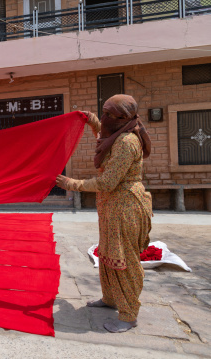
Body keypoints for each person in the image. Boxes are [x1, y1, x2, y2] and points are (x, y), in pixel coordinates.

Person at [56, 95, 153, 333]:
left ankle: (129, 314)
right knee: (109, 254)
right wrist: (92, 121)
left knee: (125, 261)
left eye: (109, 114)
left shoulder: (127, 143)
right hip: (112, 207)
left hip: (125, 207)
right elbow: (104, 136)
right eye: (103, 112)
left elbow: (108, 182)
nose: (105, 118)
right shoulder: (117, 135)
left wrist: (72, 184)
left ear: (123, 118)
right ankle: (110, 299)